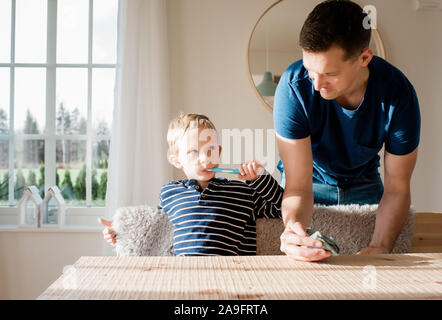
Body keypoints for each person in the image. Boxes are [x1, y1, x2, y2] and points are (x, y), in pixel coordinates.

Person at [274, 0, 420, 262]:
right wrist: (292, 228)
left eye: (329, 74)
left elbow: (398, 187)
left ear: (364, 58)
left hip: (363, 181)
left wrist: (380, 247)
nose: (317, 85)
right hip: (310, 182)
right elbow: (297, 185)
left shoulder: (398, 94)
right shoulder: (293, 86)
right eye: (310, 70)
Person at [100, 114, 322, 256]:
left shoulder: (241, 191)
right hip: (185, 278)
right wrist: (121, 232)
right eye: (193, 152)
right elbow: (153, 230)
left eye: (210, 150)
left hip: (236, 277)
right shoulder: (170, 193)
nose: (204, 158)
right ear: (177, 160)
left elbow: (279, 209)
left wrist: (260, 179)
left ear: (219, 152)